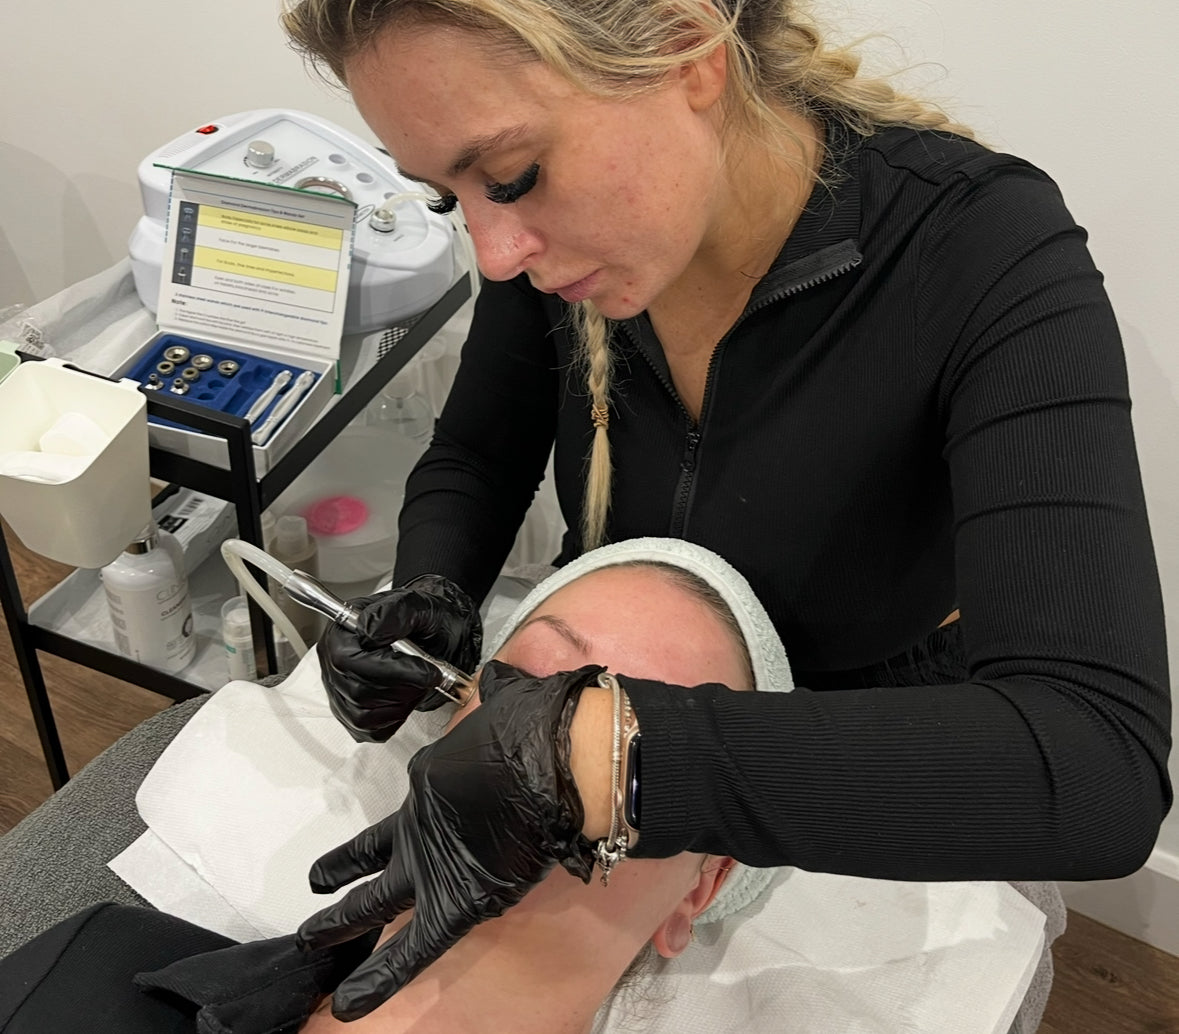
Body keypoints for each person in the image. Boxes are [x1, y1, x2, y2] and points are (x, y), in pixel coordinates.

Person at [278, 0, 1173, 1021]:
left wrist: (614, 758)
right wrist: (432, 583)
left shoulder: (977, 248)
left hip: (864, 747)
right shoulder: (559, 254)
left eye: (512, 176)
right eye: (451, 196)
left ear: (684, 46)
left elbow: (1097, 767)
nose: (494, 250)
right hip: (605, 705)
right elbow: (478, 454)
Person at [0, 546, 783, 1034]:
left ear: (700, 887)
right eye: (527, 682)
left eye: (636, 751)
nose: (536, 758)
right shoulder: (95, 970)